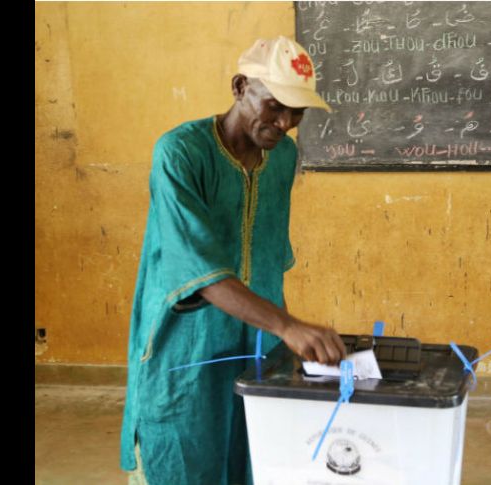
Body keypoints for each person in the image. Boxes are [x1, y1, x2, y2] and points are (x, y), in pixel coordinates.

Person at [120, 36, 347, 485]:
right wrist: (287, 324)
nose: (285, 122)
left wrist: (283, 334)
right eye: (276, 105)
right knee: (185, 451)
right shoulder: (180, 153)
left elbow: (265, 257)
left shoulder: (283, 158)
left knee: (251, 455)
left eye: (297, 111)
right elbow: (197, 270)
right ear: (241, 86)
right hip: (186, 343)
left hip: (255, 340)